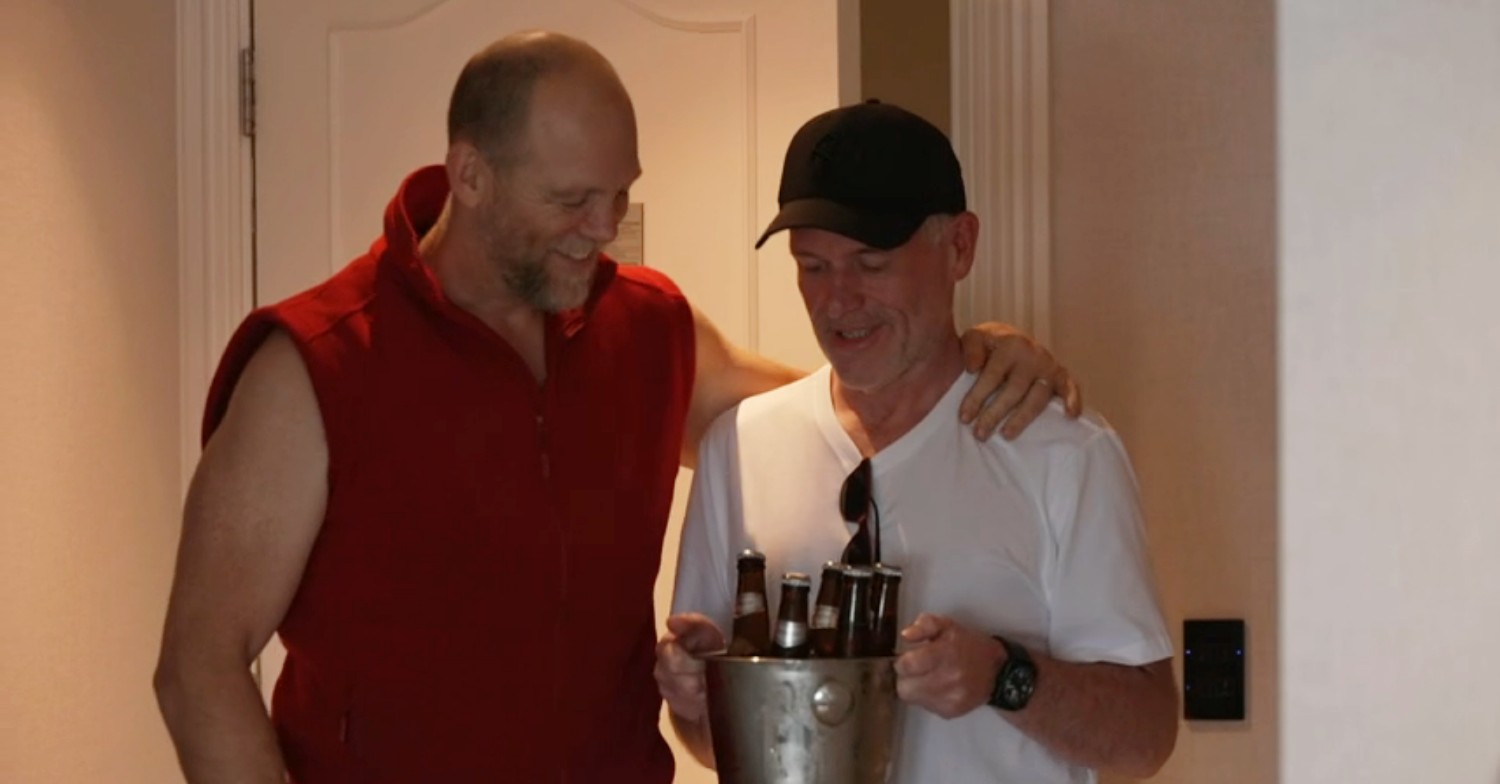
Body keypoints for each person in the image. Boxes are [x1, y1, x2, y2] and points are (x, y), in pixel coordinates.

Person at [152, 32, 1080, 784]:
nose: (605, 228)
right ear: (470, 175)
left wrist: (978, 358)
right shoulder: (313, 362)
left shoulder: (649, 328)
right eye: (572, 200)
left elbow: (846, 412)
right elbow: (199, 664)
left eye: (620, 194)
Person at [658, 100, 1178, 783]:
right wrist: (696, 695)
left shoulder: (1062, 453)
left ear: (959, 246)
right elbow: (713, 741)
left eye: (871, 265)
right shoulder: (739, 447)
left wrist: (1004, 676)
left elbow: (1144, 737)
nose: (838, 301)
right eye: (812, 267)